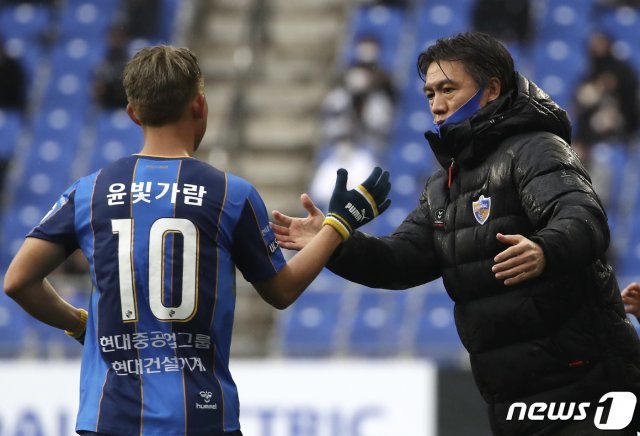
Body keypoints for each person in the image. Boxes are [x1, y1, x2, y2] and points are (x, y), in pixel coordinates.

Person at [3, 45, 391, 436]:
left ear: (133, 114)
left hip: (108, 419)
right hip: (201, 418)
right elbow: (282, 291)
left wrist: (80, 324)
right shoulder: (229, 194)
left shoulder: (89, 192)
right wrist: (339, 225)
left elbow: (18, 281)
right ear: (200, 106)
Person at [271, 32, 640, 435]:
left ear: (491, 90)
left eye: (449, 89)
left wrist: (543, 249)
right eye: (430, 93)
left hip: (588, 389)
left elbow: (583, 218)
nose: (437, 104)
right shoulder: (445, 183)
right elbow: (399, 262)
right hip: (513, 398)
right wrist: (333, 242)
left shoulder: (535, 149)